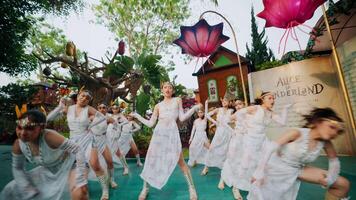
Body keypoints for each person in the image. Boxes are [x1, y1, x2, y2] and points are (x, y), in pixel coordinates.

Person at [248, 108, 350, 200]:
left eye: (338, 131)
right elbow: (270, 148)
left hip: (297, 169)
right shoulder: (297, 133)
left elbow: (334, 161)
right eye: (331, 127)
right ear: (318, 122)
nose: (334, 133)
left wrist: (330, 178)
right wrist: (259, 171)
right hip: (275, 168)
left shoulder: (326, 143)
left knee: (343, 184)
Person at [130, 82, 202, 200]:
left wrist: (194, 108)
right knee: (150, 160)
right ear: (162, 90)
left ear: (172, 90)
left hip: (172, 134)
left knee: (181, 161)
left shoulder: (177, 100)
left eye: (170, 87)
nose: (167, 89)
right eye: (165, 87)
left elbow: (182, 117)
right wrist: (137, 116)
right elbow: (151, 123)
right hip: (159, 134)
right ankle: (145, 188)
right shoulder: (158, 106)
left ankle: (192, 188)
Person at [0, 110, 88, 200]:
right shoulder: (18, 144)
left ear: (41, 128)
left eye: (29, 128)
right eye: (19, 127)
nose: (23, 133)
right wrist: (26, 187)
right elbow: (17, 168)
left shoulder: (49, 136)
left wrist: (80, 178)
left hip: (72, 165)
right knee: (11, 189)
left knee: (79, 192)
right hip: (48, 170)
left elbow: (78, 150)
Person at [47, 90, 113, 200]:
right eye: (83, 96)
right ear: (78, 96)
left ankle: (105, 190)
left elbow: (102, 118)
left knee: (95, 164)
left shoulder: (89, 109)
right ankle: (80, 187)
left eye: (87, 98)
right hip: (73, 141)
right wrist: (59, 107)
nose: (84, 99)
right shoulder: (69, 109)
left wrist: (91, 125)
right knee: (72, 166)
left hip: (88, 139)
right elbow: (48, 119)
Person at [233, 91, 293, 195]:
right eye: (270, 98)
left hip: (262, 140)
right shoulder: (256, 108)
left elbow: (282, 122)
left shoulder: (271, 113)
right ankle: (235, 186)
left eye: (273, 98)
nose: (272, 100)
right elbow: (238, 113)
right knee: (245, 163)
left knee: (266, 163)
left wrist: (285, 109)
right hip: (250, 140)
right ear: (263, 99)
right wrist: (244, 125)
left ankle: (258, 185)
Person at [201, 94, 234, 176]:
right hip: (219, 132)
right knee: (212, 148)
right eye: (223, 101)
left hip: (227, 133)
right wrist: (215, 122)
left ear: (229, 102)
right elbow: (207, 115)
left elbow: (232, 121)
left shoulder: (231, 111)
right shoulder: (218, 110)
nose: (223, 102)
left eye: (225, 101)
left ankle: (225, 168)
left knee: (225, 150)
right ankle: (206, 167)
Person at [220, 99, 246, 199]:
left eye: (240, 104)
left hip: (247, 141)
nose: (238, 106)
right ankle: (235, 188)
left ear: (244, 104)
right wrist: (233, 131)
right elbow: (224, 122)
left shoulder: (249, 114)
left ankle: (224, 179)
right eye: (236, 105)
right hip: (237, 141)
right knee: (234, 162)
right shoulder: (236, 115)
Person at [106, 104, 130, 175]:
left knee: (117, 152)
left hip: (115, 134)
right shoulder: (110, 115)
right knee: (109, 151)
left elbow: (126, 121)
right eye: (113, 108)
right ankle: (108, 169)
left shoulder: (120, 115)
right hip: (108, 133)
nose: (114, 109)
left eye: (116, 108)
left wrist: (119, 125)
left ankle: (126, 167)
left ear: (118, 109)